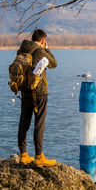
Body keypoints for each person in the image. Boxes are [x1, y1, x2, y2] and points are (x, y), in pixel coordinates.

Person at [17, 29, 57, 167]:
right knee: (39, 124)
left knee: (24, 122)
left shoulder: (22, 50)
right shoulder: (40, 51)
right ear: (43, 40)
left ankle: (23, 155)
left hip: (24, 92)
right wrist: (47, 48)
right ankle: (39, 156)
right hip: (39, 92)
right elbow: (53, 63)